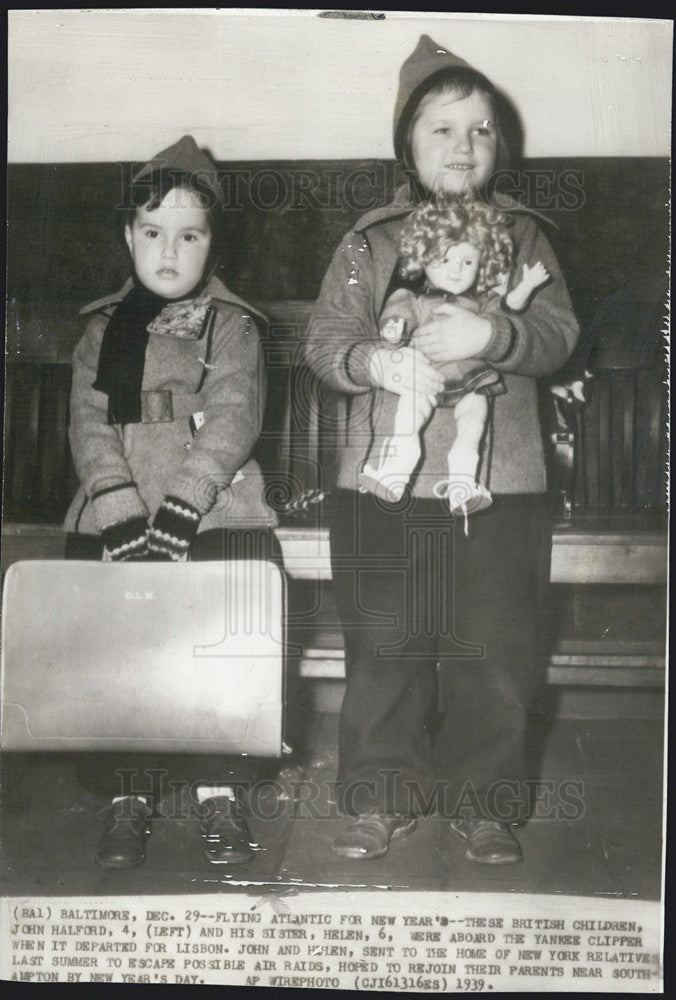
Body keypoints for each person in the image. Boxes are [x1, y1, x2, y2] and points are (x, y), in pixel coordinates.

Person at [305, 35, 579, 864]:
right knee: (386, 642)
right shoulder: (370, 240)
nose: (465, 146)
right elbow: (326, 341)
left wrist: (496, 329)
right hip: (381, 485)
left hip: (499, 479)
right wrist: (376, 359)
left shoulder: (525, 236)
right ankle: (381, 793)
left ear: (501, 146)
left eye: (482, 130)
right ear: (406, 146)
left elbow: (560, 336)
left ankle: (485, 800)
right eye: (442, 129)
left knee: (497, 646)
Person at [64, 135, 280, 869]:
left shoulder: (234, 325)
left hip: (214, 511)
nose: (168, 250)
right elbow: (88, 424)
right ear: (129, 236)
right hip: (117, 508)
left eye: (189, 235)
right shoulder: (100, 329)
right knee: (123, 657)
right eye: (152, 232)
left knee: (215, 656)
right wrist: (118, 503)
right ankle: (130, 793)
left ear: (212, 245)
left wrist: (184, 503)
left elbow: (233, 417)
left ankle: (220, 792)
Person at [359, 194, 549, 519]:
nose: (457, 272)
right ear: (422, 260)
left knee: (473, 423)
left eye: (467, 262)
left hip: (471, 376)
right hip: (426, 374)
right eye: (443, 261)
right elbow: (398, 314)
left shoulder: (482, 302)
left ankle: (463, 483)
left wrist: (527, 286)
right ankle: (396, 470)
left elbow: (508, 310)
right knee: (407, 418)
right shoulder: (417, 299)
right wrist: (393, 330)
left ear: (482, 263)